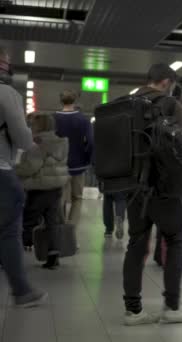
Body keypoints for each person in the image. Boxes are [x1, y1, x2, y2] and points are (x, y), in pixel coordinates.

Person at [122, 63, 182, 326]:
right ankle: (172, 307)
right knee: (176, 240)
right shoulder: (169, 105)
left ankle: (133, 311)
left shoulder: (126, 104)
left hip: (133, 190)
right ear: (166, 82)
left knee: (136, 245)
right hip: (164, 188)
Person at [0, 47, 47, 307]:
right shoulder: (6, 93)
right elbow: (22, 136)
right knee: (8, 232)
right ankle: (22, 291)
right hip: (1, 172)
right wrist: (32, 146)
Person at [16, 113, 69, 269]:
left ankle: (11, 253)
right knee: (52, 223)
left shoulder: (38, 143)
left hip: (39, 188)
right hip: (56, 188)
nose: (31, 127)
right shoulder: (61, 142)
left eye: (33, 124)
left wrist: (15, 169)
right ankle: (53, 256)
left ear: (39, 126)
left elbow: (31, 167)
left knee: (27, 221)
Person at [54, 90, 93, 229]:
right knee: (77, 198)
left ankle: (59, 229)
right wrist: (87, 158)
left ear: (61, 101)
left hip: (58, 165)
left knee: (60, 199)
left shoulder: (53, 118)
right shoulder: (83, 120)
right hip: (78, 166)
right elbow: (91, 141)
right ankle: (70, 231)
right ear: (75, 101)